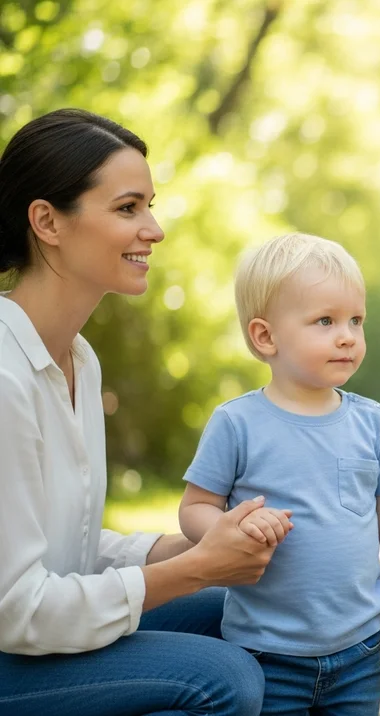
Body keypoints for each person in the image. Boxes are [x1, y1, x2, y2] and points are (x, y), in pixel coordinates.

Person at [0, 108, 279, 715]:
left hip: (30, 635)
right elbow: (17, 609)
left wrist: (196, 545)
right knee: (225, 677)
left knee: (252, 613)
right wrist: (199, 569)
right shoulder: (3, 377)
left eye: (150, 205)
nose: (153, 229)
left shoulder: (80, 359)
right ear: (46, 220)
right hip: (8, 648)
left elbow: (64, 550)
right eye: (128, 208)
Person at [178, 233, 380, 715]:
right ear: (265, 336)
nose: (348, 335)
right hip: (264, 652)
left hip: (357, 651)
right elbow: (194, 508)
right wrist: (231, 527)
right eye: (325, 321)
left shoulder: (372, 422)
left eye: (356, 320)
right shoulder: (237, 424)